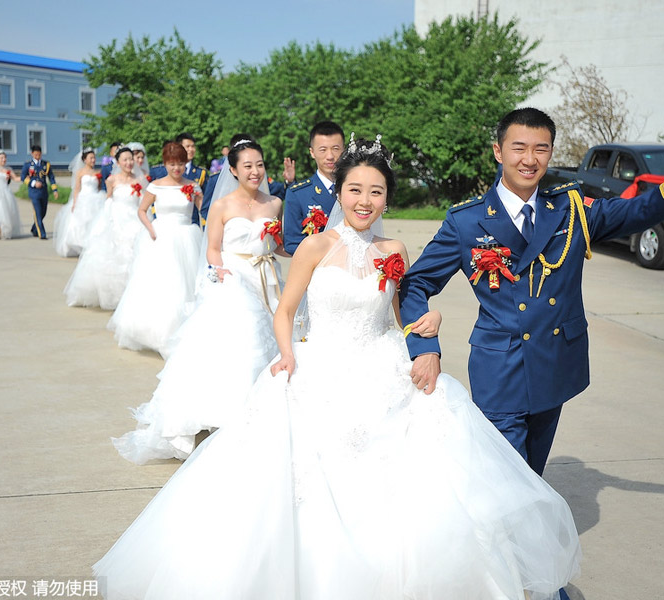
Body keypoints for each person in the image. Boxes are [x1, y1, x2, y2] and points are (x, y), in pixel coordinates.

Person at [94, 137, 582, 600]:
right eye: (355, 190)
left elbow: (401, 313)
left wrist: (426, 324)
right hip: (322, 365)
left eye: (376, 191)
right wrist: (286, 355)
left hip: (383, 365)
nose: (364, 201)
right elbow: (285, 311)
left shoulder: (395, 252)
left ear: (387, 198)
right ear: (340, 191)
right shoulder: (315, 247)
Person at [400, 94, 664, 478]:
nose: (530, 159)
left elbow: (643, 209)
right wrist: (424, 346)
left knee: (532, 478)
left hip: (555, 363)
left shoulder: (571, 209)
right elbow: (415, 284)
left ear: (551, 153)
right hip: (500, 370)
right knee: (505, 480)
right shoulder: (467, 221)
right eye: (519, 148)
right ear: (498, 151)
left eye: (541, 149)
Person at [111, 138, 284, 464]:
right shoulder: (222, 205)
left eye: (259, 164)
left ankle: (262, 418)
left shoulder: (274, 203)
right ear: (232, 170)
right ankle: (230, 417)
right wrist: (222, 272)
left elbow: (276, 244)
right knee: (240, 342)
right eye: (247, 166)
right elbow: (213, 248)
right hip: (233, 278)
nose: (255, 171)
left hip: (265, 277)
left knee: (273, 340)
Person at [107, 142, 203, 354]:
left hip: (187, 236)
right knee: (162, 283)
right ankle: (158, 333)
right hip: (161, 237)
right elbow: (142, 210)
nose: (176, 168)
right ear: (165, 164)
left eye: (180, 164)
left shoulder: (193, 186)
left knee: (186, 284)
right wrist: (151, 228)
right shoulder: (155, 185)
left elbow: (203, 211)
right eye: (171, 164)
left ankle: (184, 331)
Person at [64, 147, 144, 309]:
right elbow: (109, 199)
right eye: (125, 160)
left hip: (135, 220)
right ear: (118, 162)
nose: (129, 162)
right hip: (117, 219)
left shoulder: (140, 179)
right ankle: (114, 295)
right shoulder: (111, 180)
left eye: (131, 159)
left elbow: (143, 203)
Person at [283, 120, 345, 255]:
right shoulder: (298, 194)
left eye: (335, 149)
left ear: (344, 150)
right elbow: (291, 243)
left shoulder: (355, 189)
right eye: (323, 150)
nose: (330, 156)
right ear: (312, 152)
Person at [54, 149, 104, 257]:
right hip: (84, 199)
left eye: (94, 158)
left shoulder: (97, 172)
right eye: (91, 158)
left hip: (96, 198)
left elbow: (99, 187)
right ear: (85, 160)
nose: (93, 160)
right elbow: (77, 188)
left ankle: (91, 245)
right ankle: (81, 244)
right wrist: (75, 203)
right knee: (81, 222)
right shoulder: (80, 172)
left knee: (95, 222)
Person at [20, 145, 58, 239]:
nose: (37, 155)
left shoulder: (46, 164)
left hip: (44, 192)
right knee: (37, 212)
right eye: (35, 154)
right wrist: (33, 183)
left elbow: (51, 177)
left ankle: (34, 228)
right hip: (34, 192)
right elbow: (23, 177)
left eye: (39, 154)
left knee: (43, 212)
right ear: (32, 154)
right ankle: (42, 234)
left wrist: (55, 190)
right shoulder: (28, 165)